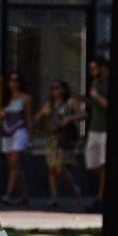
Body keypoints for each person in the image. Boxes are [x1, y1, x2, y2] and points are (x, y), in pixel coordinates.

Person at [39, 78, 83, 206]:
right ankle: (54, 197)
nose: (55, 91)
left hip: (64, 138)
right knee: (52, 168)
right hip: (52, 138)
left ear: (64, 90)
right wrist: (43, 114)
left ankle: (74, 189)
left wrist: (69, 119)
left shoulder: (70, 103)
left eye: (57, 88)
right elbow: (38, 117)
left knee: (60, 168)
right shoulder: (50, 104)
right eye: (52, 88)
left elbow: (83, 114)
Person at [0, 71, 34, 207]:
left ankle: (8, 194)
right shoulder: (5, 98)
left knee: (15, 162)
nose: (14, 83)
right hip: (7, 130)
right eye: (12, 80)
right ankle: (25, 195)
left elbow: (29, 118)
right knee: (14, 166)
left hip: (20, 130)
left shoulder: (26, 99)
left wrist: (30, 137)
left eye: (17, 80)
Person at [83, 53, 110, 203]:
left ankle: (101, 197)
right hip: (94, 127)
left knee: (104, 163)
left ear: (103, 68)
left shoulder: (108, 83)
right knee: (91, 163)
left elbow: (108, 105)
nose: (92, 71)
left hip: (105, 129)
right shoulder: (95, 83)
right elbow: (95, 104)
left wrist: (97, 96)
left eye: (94, 68)